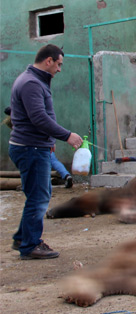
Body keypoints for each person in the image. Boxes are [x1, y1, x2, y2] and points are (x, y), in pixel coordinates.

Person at [8, 44, 83, 260]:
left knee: (38, 194)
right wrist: (67, 135)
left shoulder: (33, 80)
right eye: (59, 64)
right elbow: (39, 118)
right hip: (30, 148)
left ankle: (23, 237)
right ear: (48, 61)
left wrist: (50, 140)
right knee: (39, 197)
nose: (60, 69)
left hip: (35, 146)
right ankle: (30, 245)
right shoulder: (31, 83)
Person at [4, 107, 73, 188]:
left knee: (35, 167)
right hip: (43, 142)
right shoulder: (32, 114)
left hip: (36, 145)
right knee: (51, 161)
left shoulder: (29, 116)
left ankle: (40, 184)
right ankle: (66, 175)